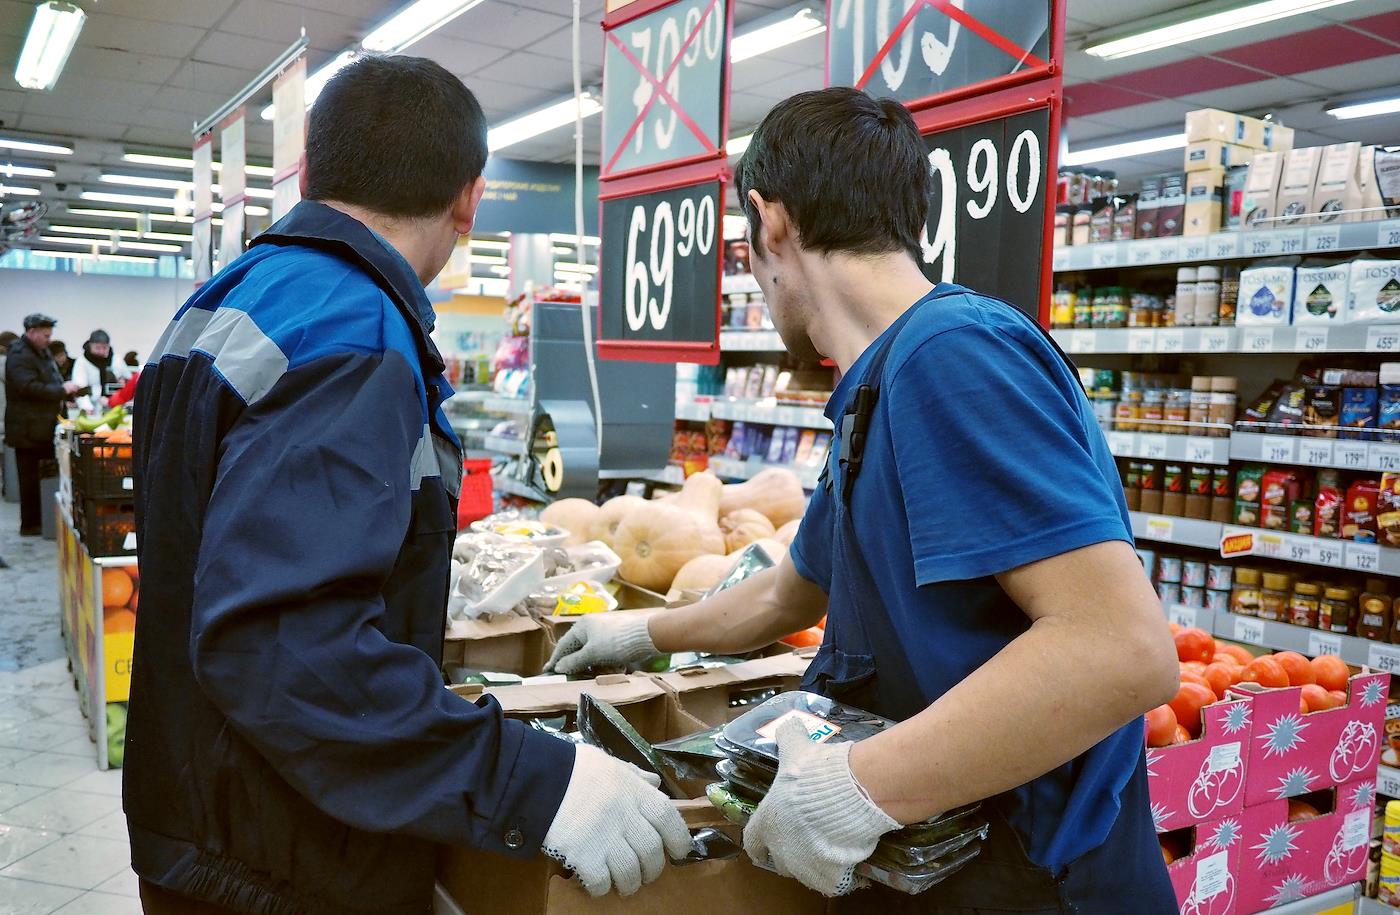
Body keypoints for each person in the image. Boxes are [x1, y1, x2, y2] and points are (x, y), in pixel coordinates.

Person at [547, 87, 1180, 911]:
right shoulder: (877, 386)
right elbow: (790, 590)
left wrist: (860, 785)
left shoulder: (951, 358)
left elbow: (1122, 649)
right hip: (951, 856)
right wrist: (636, 633)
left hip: (1041, 875)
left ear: (770, 223)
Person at [127, 55, 687, 915]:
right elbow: (285, 649)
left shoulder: (231, 297)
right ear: (471, 198)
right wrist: (536, 783)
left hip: (204, 814)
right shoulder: (352, 333)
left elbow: (221, 562)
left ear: (311, 173)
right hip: (281, 858)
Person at [5, 315, 81, 535]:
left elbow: (49, 381)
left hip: (42, 426)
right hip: (27, 430)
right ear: (32, 332)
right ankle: (30, 525)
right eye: (46, 335)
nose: (49, 339)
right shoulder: (19, 355)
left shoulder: (40, 351)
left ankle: (45, 521)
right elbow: (27, 387)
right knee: (29, 479)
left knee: (45, 477)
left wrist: (65, 393)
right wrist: (61, 391)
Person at [72, 329, 127, 413]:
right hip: (92, 408)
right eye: (97, 348)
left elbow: (129, 381)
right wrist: (87, 408)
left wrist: (124, 381)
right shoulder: (82, 362)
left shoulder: (116, 360)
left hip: (116, 407)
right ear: (90, 345)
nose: (101, 351)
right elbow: (80, 389)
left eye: (105, 348)